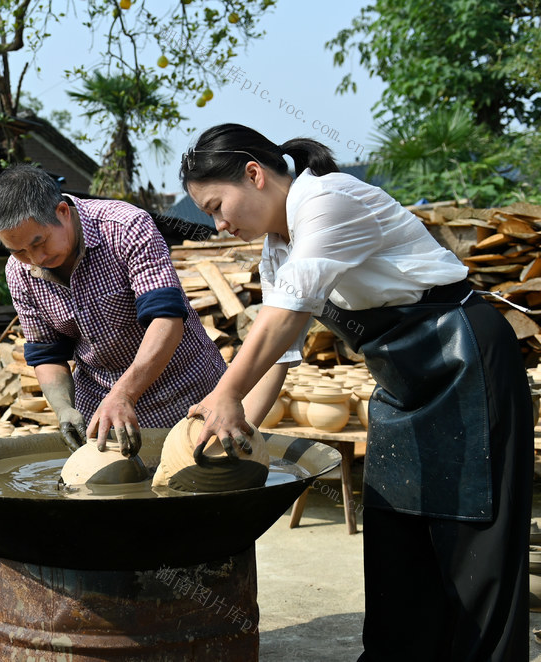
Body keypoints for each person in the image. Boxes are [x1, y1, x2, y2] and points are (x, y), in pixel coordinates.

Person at [180, 123, 531, 661]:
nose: (219, 224)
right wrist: (228, 432)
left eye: (216, 205)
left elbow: (284, 316)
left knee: (471, 544)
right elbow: (283, 355)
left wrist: (224, 391)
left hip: (465, 362)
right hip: (402, 385)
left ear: (253, 175)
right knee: (396, 545)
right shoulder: (277, 250)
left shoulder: (326, 199)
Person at [0, 164, 228, 456]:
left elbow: (166, 319)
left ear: (62, 212)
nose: (36, 258)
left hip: (187, 396)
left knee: (203, 489)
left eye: (40, 242)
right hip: (103, 411)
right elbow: (47, 352)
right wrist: (63, 408)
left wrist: (124, 393)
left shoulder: (125, 227)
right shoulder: (19, 273)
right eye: (19, 251)